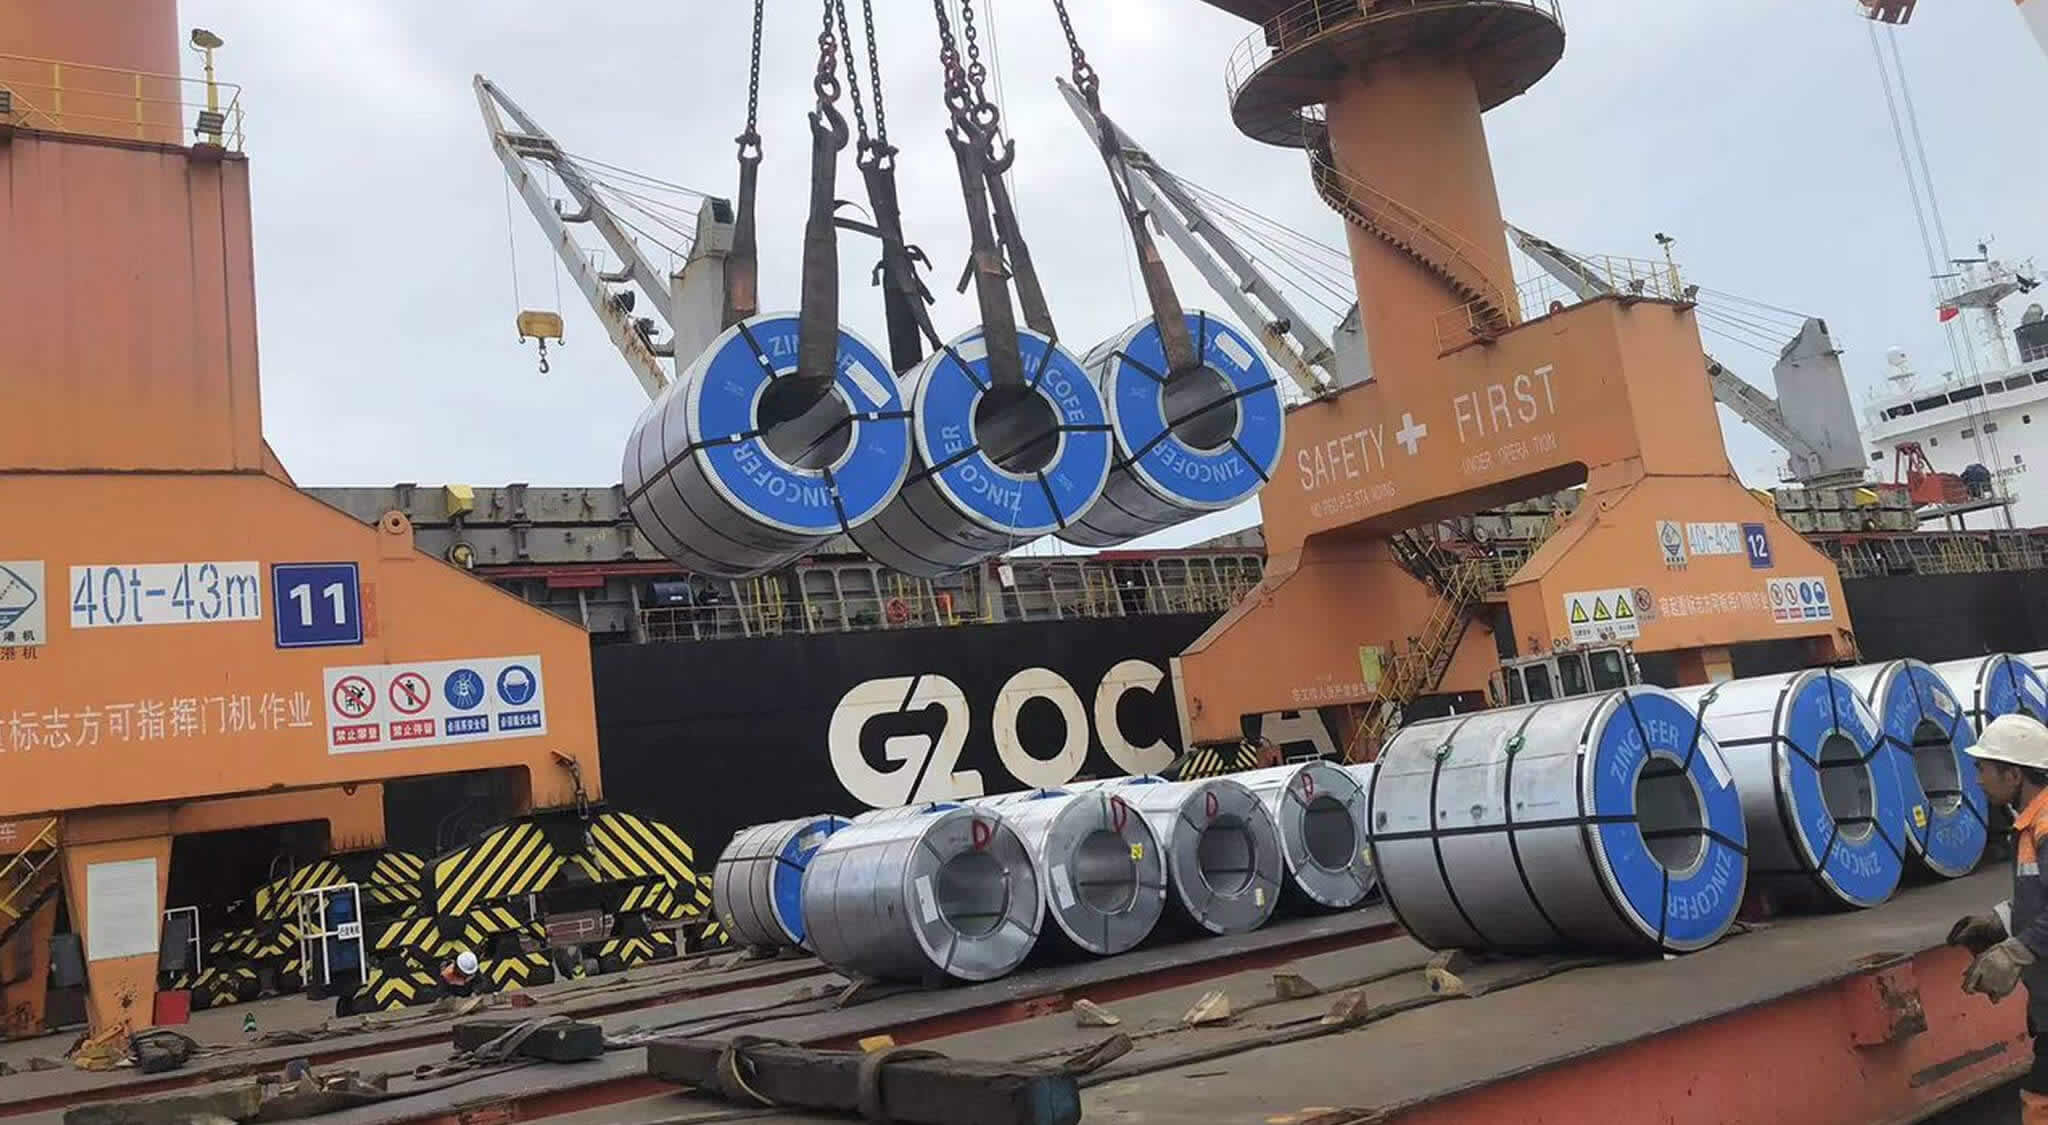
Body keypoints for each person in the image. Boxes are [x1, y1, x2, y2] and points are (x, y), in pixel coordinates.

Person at [1948, 713, 2048, 1123]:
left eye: (1983, 768)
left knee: (2040, 1103)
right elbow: (2039, 895)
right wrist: (2000, 921)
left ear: (2014, 774)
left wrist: (2017, 951)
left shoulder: (2046, 826)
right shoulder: (2031, 824)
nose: (1977, 779)